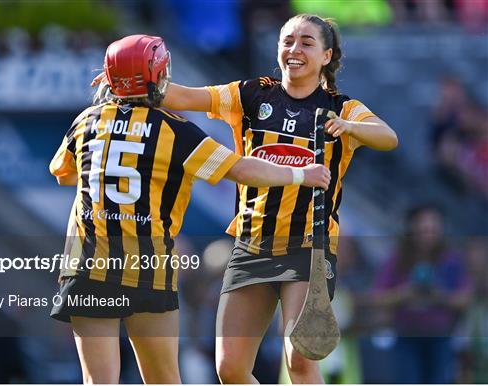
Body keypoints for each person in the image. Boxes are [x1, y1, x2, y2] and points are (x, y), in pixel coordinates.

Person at [93, 14, 398, 383]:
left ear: (326, 55)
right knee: (230, 368)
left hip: (309, 247)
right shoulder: (252, 94)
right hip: (252, 245)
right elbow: (184, 96)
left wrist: (351, 127)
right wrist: (129, 82)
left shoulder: (342, 107)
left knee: (299, 358)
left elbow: (387, 137)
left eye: (306, 42)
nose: (294, 49)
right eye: (287, 41)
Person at [51, 34, 331, 384]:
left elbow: (64, 175)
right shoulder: (175, 130)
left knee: (99, 381)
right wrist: (300, 173)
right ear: (159, 75)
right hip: (146, 269)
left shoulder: (85, 122)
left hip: (86, 267)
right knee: (164, 380)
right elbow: (243, 170)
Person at [373, 204, 472, 383]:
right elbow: (379, 297)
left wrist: (438, 296)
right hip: (406, 337)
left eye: (433, 227)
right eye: (423, 226)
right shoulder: (397, 259)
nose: (428, 232)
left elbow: (464, 299)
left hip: (440, 338)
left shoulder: (451, 260)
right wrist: (405, 294)